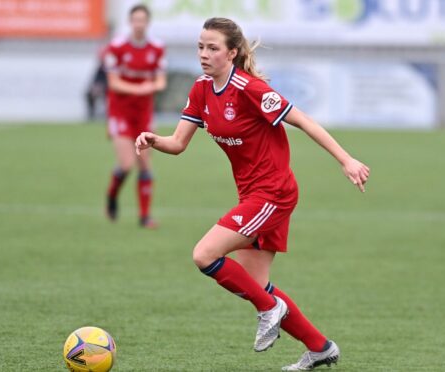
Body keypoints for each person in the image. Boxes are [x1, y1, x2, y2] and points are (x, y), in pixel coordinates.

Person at [135, 17, 370, 370]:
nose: (204, 54)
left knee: (204, 255)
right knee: (258, 283)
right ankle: (320, 347)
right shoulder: (201, 90)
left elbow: (302, 119)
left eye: (212, 48)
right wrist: (155, 139)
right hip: (253, 195)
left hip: (273, 193)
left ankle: (268, 309)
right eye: (200, 46)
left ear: (232, 53)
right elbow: (179, 143)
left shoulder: (249, 88)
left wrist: (346, 159)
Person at [103, 4, 167, 228]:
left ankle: (145, 216)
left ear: (147, 23)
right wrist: (140, 88)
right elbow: (113, 82)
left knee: (145, 164)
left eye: (142, 20)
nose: (139, 24)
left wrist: (152, 86)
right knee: (127, 163)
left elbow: (161, 80)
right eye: (135, 20)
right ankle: (111, 196)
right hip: (120, 112)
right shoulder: (117, 47)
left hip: (144, 115)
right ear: (130, 22)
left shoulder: (157, 48)